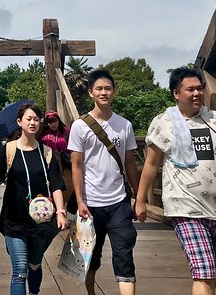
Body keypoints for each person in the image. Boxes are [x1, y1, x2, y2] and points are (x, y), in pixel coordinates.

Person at [135, 67, 216, 295]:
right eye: (190, 89)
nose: (197, 93)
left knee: (210, 273)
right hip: (185, 207)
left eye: (200, 88)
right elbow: (151, 164)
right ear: (176, 93)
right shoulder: (163, 122)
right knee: (203, 272)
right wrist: (140, 199)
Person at [67, 69, 139, 295]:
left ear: (114, 92)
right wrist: (79, 200)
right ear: (91, 93)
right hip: (90, 204)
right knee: (90, 257)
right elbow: (76, 165)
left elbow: (130, 163)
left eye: (108, 88)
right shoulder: (80, 126)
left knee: (124, 253)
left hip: (119, 201)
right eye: (99, 88)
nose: (104, 92)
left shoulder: (124, 125)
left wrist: (139, 197)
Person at [0, 103, 67, 295]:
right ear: (19, 122)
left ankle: (34, 291)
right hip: (15, 219)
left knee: (34, 265)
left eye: (36, 119)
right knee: (20, 271)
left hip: (42, 222)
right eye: (29, 119)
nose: (33, 122)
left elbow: (56, 185)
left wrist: (61, 212)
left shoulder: (47, 153)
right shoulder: (10, 150)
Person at [38, 110, 74, 207]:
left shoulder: (65, 131)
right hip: (48, 160)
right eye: (50, 122)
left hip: (65, 161)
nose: (53, 124)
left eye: (55, 121)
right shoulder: (43, 134)